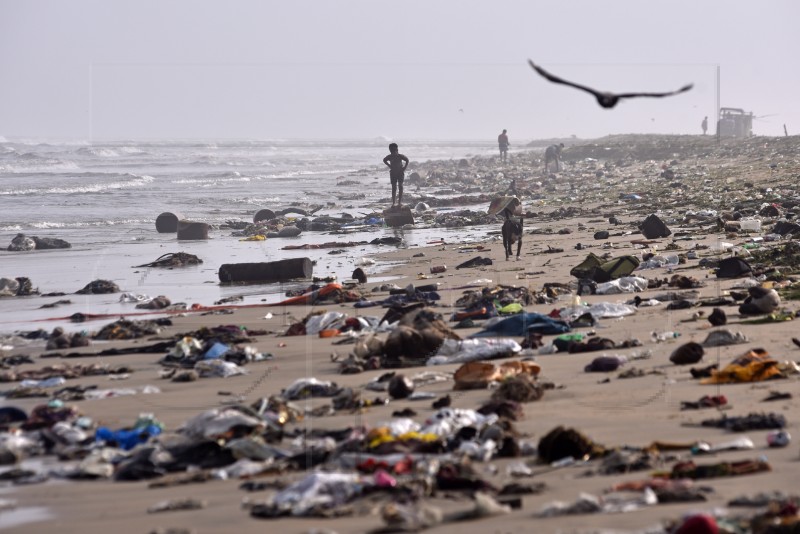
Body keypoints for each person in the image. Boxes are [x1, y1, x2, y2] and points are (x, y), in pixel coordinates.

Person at [383, 143, 409, 207]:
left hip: (400, 172)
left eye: (394, 150)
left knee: (400, 186)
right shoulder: (389, 156)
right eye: (392, 150)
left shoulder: (400, 156)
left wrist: (404, 167)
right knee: (394, 187)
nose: (393, 152)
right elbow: (384, 160)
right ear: (390, 150)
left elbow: (407, 160)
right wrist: (389, 166)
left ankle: (399, 202)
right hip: (393, 173)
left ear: (397, 149)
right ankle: (394, 203)